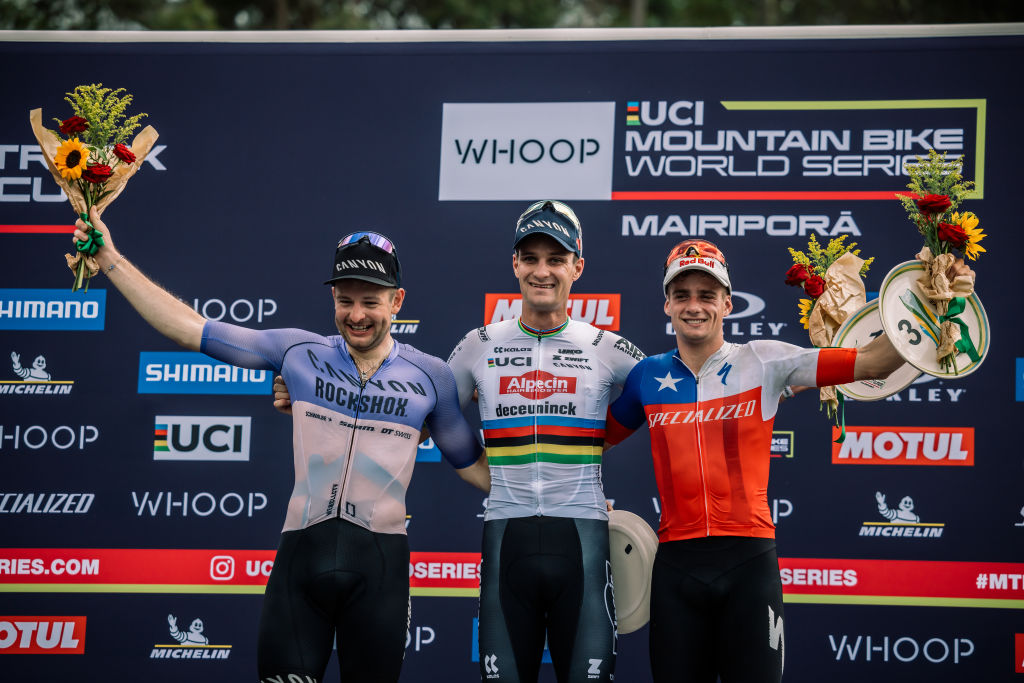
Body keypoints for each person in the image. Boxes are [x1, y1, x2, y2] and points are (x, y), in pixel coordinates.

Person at [72, 207, 488, 683]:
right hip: (300, 563)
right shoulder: (298, 353)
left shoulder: (431, 377)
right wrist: (109, 258)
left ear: (397, 301)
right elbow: (189, 329)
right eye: (345, 300)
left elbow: (474, 466)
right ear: (332, 297)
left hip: (380, 571)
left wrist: (556, 498)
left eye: (371, 302)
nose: (356, 315)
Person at [603, 239, 968, 683]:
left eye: (707, 295)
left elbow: (873, 363)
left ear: (728, 303)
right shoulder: (647, 376)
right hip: (676, 569)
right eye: (682, 295)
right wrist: (588, 495)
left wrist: (938, 304)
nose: (694, 306)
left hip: (748, 565)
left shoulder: (764, 361)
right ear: (667, 304)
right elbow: (594, 443)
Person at [446, 200, 646, 683]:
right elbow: (426, 410)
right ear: (514, 264)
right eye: (531, 258)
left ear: (577, 267)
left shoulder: (604, 345)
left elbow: (673, 391)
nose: (542, 271)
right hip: (506, 537)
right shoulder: (478, 344)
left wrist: (761, 383)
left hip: (582, 539)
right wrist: (479, 472)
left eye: (556, 259)